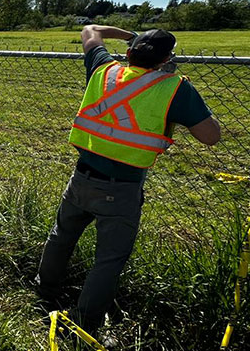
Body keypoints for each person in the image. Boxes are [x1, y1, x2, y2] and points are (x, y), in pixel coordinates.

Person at [35, 26, 221, 334]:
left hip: (81, 177)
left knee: (61, 236)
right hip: (121, 189)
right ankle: (85, 324)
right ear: (166, 60)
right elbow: (210, 136)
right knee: (108, 260)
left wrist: (128, 34)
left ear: (129, 52)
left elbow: (90, 30)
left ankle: (44, 293)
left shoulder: (104, 70)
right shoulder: (175, 88)